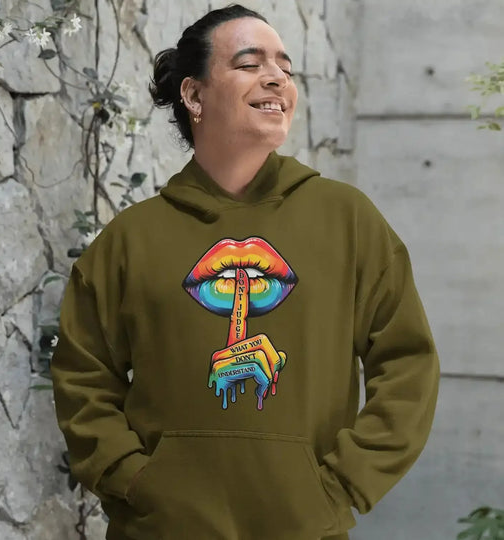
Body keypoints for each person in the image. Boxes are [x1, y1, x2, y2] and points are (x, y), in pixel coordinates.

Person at [50, 4, 440, 540]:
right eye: (250, 64)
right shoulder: (130, 239)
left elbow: (407, 365)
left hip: (304, 529)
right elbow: (82, 378)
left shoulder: (348, 220)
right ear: (193, 95)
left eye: (285, 66)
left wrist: (339, 487)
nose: (276, 78)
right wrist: (135, 481)